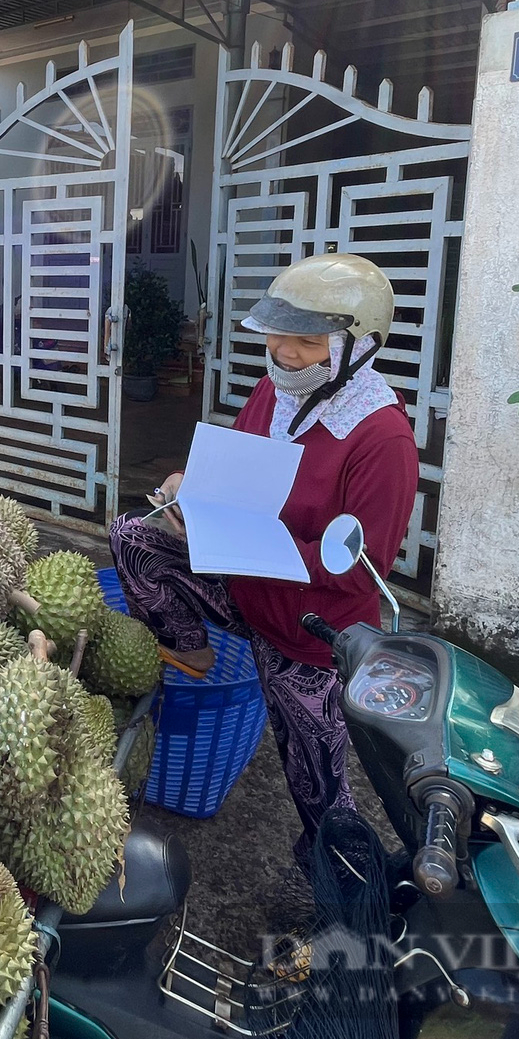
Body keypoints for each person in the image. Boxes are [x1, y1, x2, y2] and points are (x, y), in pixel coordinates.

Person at [109, 253, 419, 861]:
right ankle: (191, 650)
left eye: (304, 343)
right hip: (245, 587)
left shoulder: (382, 439)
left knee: (319, 791)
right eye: (277, 340)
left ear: (358, 347)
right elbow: (239, 473)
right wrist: (187, 491)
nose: (284, 356)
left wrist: (264, 549)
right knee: (133, 537)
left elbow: (362, 564)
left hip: (308, 634)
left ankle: (348, 901)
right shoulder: (275, 393)